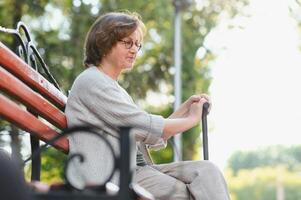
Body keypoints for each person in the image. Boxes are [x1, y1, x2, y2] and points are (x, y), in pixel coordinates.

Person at [65, 11, 230, 200]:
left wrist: (185, 109)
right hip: (113, 176)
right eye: (128, 42)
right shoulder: (92, 82)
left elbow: (147, 134)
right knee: (182, 193)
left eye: (137, 44)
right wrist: (191, 119)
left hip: (135, 170)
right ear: (104, 42)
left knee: (207, 171)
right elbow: (144, 126)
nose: (134, 49)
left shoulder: (114, 88)